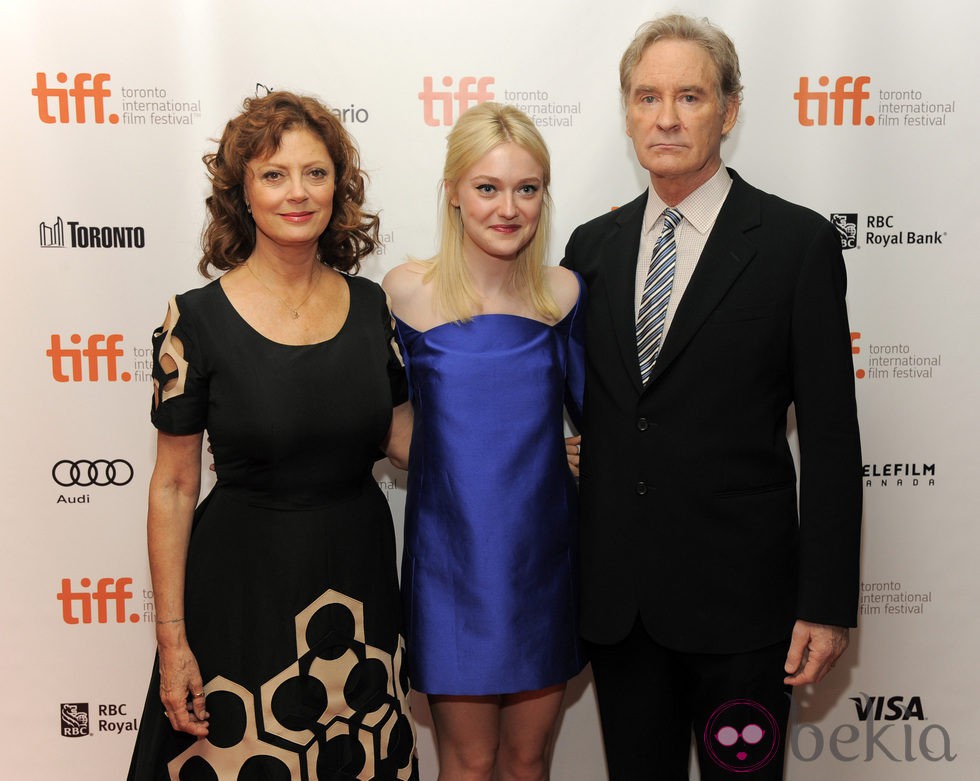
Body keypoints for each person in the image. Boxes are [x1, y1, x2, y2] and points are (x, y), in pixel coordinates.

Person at [560, 14, 863, 780]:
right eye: (647, 96)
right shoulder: (588, 250)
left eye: (689, 96)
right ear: (626, 112)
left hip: (746, 613)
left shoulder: (795, 244)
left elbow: (830, 439)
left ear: (728, 110)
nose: (666, 117)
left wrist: (825, 604)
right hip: (621, 609)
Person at [127, 91, 418, 781]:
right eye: (273, 174)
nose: (298, 192)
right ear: (242, 193)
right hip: (241, 588)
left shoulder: (373, 306)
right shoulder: (193, 320)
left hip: (359, 579)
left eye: (315, 173)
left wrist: (524, 449)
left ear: (338, 187)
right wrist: (172, 639)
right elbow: (172, 484)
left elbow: (403, 436)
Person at [382, 102, 586, 781]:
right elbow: (387, 426)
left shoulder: (565, 295)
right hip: (452, 565)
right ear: (453, 191)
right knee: (467, 765)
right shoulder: (403, 293)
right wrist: (480, 458)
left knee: (528, 761)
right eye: (488, 187)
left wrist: (555, 456)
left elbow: (606, 421)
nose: (509, 207)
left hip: (543, 561)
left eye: (527, 188)